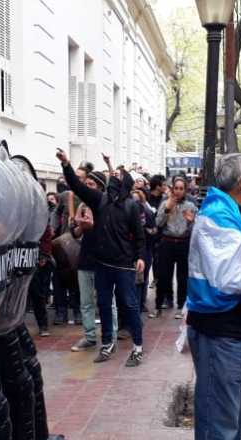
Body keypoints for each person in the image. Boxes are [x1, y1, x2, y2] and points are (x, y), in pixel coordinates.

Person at [186, 153, 241, 440]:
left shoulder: (233, 213)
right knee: (220, 424)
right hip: (220, 333)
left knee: (229, 418)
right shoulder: (220, 217)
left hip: (231, 333)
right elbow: (227, 282)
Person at [56, 148, 147, 367]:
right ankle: (107, 344)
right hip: (103, 265)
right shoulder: (100, 200)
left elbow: (140, 235)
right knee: (104, 304)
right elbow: (77, 186)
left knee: (130, 305)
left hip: (124, 265)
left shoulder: (131, 206)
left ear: (124, 184)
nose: (113, 178)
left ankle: (137, 347)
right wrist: (66, 165)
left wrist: (140, 257)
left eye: (117, 177)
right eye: (112, 177)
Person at [69, 171, 120, 352]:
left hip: (103, 261)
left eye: (91, 184)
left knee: (107, 301)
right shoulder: (82, 206)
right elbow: (74, 233)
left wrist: (95, 225)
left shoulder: (105, 205)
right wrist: (80, 227)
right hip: (85, 260)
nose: (87, 187)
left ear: (99, 187)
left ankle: (112, 335)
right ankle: (89, 336)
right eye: (86, 184)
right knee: (86, 302)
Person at [150, 176, 198, 319]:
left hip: (183, 243)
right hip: (167, 242)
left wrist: (192, 221)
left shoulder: (191, 205)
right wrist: (167, 210)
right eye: (176, 188)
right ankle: (159, 305)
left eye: (181, 188)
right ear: (172, 188)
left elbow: (197, 229)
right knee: (163, 275)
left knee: (183, 277)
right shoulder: (165, 203)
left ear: (185, 190)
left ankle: (181, 306)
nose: (178, 191)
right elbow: (158, 223)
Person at [132, 189, 157, 313]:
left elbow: (154, 231)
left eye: (136, 199)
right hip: (134, 250)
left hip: (145, 249)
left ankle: (141, 302)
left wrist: (146, 230)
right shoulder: (129, 213)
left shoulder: (147, 212)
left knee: (143, 277)